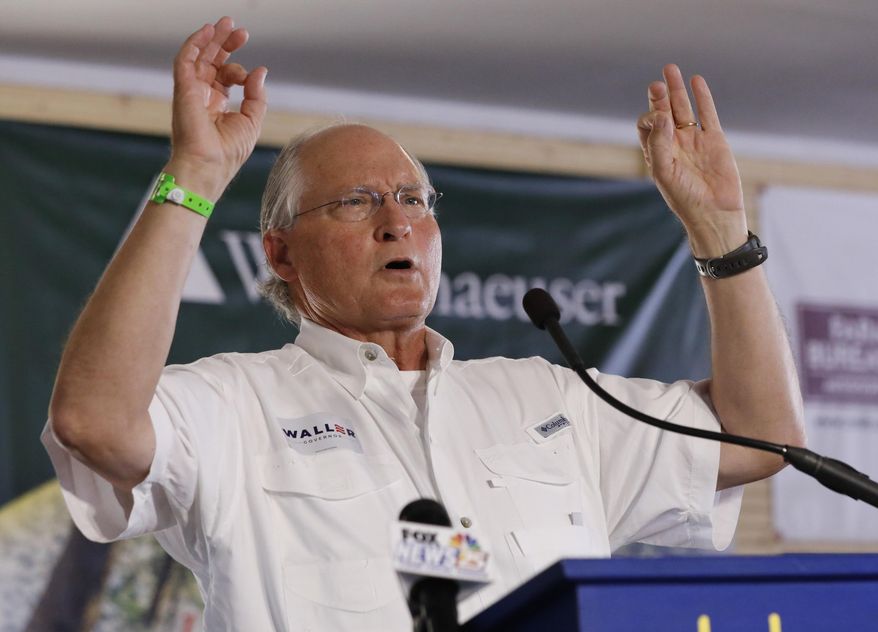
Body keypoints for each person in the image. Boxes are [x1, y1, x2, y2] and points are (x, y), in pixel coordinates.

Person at [43, 16, 805, 631]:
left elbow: (761, 437)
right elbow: (93, 422)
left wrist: (721, 232)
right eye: (355, 202)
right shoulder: (236, 405)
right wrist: (196, 177)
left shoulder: (550, 400)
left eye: (415, 200)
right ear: (280, 253)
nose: (396, 224)